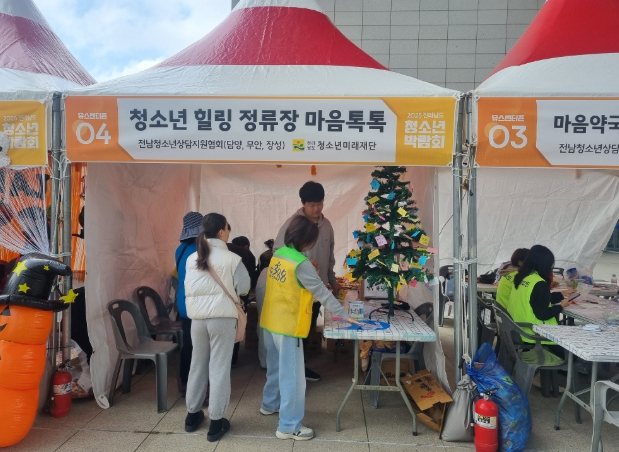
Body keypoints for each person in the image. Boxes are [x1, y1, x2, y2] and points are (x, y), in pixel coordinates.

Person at [261, 215, 360, 441]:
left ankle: (269, 404)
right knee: (293, 378)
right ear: (307, 241)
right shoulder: (301, 263)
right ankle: (289, 426)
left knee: (275, 368)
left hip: (271, 319)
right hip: (289, 325)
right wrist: (345, 315)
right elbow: (322, 293)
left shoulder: (279, 254)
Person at [184, 213, 251, 442]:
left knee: (197, 365)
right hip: (222, 318)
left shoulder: (192, 257)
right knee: (219, 368)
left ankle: (192, 416)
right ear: (222, 232)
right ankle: (215, 422)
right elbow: (244, 288)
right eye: (227, 229)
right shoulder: (232, 258)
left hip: (197, 319)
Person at [274, 181, 340, 382]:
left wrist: (332, 279)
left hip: (317, 289)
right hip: (296, 290)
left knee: (308, 328)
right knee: (296, 331)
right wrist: (300, 260)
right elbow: (278, 252)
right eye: (312, 205)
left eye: (320, 203)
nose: (317, 208)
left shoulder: (327, 225)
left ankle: (300, 368)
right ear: (303, 203)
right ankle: (294, 372)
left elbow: (329, 255)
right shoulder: (293, 224)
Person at [507, 244, 574, 355]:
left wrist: (561, 294)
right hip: (536, 333)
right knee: (572, 353)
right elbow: (542, 314)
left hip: (518, 330)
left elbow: (537, 299)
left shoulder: (522, 277)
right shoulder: (539, 283)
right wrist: (561, 306)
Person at [174, 211, 203, 394]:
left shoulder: (180, 249)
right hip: (197, 304)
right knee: (198, 347)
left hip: (183, 302)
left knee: (188, 345)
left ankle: (185, 382)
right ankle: (196, 386)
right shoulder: (199, 251)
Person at [227, 234, 258, 366]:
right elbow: (250, 281)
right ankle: (233, 359)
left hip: (219, 299)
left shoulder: (223, 250)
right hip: (238, 299)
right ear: (246, 246)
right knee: (236, 327)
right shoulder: (247, 254)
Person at [255, 250, 273, 369]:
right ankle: (267, 362)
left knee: (263, 325)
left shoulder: (263, 274)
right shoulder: (270, 273)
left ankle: (265, 361)